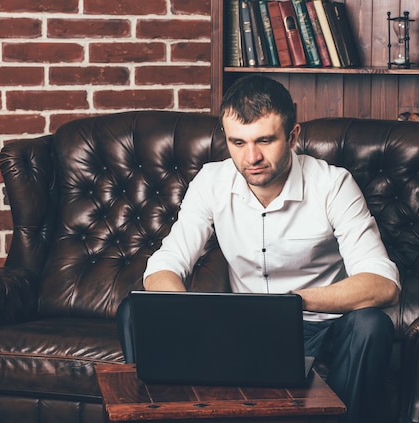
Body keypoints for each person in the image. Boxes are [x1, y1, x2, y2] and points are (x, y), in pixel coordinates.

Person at [117, 75, 400, 423]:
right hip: (241, 329)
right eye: (238, 142)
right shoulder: (211, 181)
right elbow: (167, 262)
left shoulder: (332, 184)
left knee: (371, 325)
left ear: (293, 136)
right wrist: (182, 310)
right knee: (135, 310)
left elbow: (382, 281)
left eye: (265, 140)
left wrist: (290, 303)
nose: (251, 157)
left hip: (322, 327)